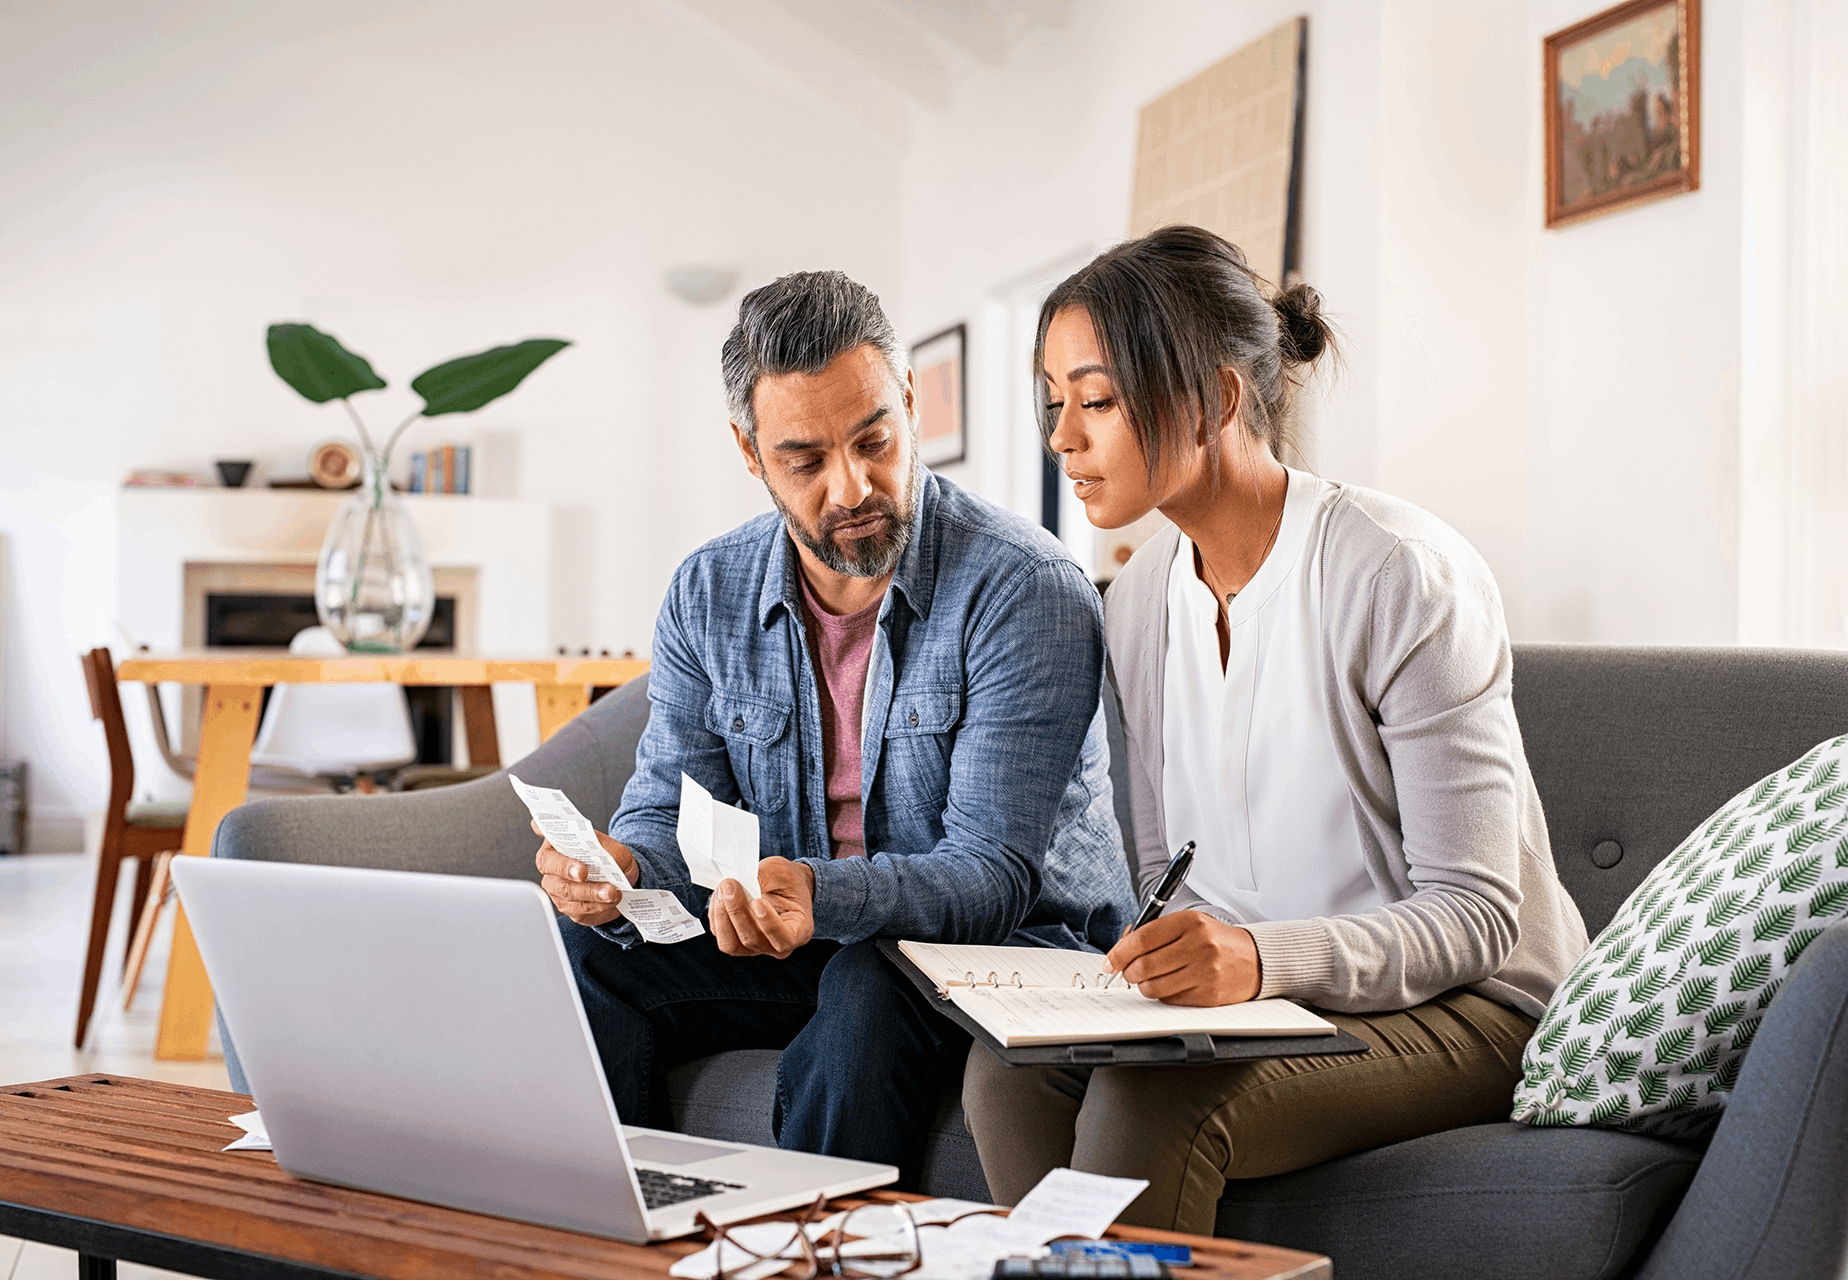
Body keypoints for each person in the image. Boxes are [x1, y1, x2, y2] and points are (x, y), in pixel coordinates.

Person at [963, 226, 1589, 1232]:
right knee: (1006, 1073)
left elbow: (1477, 916)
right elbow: (1174, 873)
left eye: (1097, 400)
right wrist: (1154, 967)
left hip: (1472, 1006)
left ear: (1214, 397)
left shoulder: (1396, 573)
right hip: (1273, 1002)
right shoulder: (1132, 606)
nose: (1064, 438)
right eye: (1054, 403)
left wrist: (1258, 959)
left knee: (1146, 1097)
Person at [538, 270, 1134, 1182]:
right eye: (805, 461)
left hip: (1011, 951)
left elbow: (994, 877)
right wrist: (621, 868)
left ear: (909, 404)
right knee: (588, 955)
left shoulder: (1023, 589)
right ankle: (617, 1245)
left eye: (874, 441)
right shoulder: (708, 592)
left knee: (865, 985)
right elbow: (664, 808)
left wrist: (816, 896)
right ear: (751, 453)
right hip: (809, 932)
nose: (852, 486)